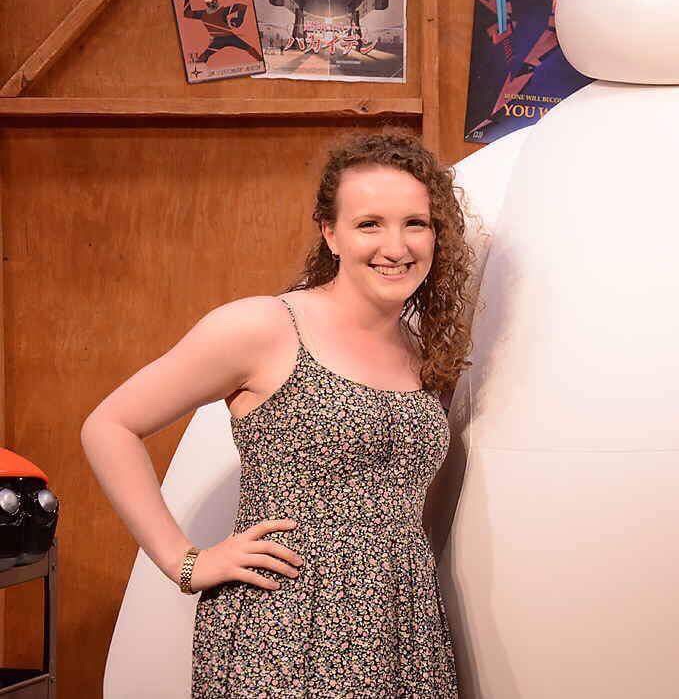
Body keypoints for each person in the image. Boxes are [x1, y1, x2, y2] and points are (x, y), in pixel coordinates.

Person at [81, 131, 472, 697]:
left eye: (416, 223)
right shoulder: (264, 327)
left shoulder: (421, 350)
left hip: (403, 627)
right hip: (285, 627)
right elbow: (109, 426)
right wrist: (184, 562)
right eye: (369, 224)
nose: (396, 245)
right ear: (330, 233)